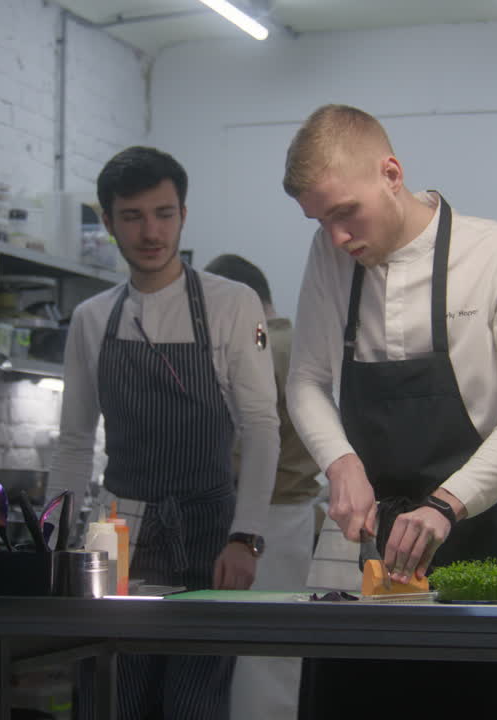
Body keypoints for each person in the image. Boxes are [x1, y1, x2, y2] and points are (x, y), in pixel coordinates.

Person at [283, 104, 497, 719]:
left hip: (472, 530)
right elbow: (306, 379)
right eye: (319, 220)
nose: (336, 237)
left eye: (344, 212)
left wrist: (445, 504)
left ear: (391, 172)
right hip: (365, 536)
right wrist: (341, 461)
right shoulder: (329, 258)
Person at [51, 146, 280, 720]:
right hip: (119, 538)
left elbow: (260, 426)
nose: (151, 231)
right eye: (133, 216)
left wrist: (246, 536)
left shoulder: (232, 304)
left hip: (211, 534)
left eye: (164, 213)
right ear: (107, 223)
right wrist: (52, 542)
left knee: (194, 703)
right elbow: (75, 442)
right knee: (113, 697)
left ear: (182, 213)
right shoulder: (91, 318)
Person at [204, 253, 321, 720]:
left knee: (254, 662)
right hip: (295, 515)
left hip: (262, 519)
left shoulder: (260, 349)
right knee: (278, 660)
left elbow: (246, 444)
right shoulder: (298, 343)